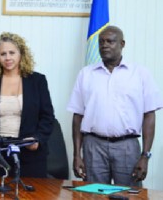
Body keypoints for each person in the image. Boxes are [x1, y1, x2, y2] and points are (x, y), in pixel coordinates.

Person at [67, 25, 163, 186]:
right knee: (93, 195)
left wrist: (145, 155)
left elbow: (149, 116)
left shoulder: (140, 74)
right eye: (101, 42)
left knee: (129, 195)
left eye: (110, 41)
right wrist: (77, 155)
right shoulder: (86, 74)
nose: (104, 45)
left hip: (127, 146)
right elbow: (78, 116)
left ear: (122, 44)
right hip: (93, 146)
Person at [0, 32, 55, 178]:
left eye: (12, 52)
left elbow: (47, 116)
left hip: (29, 152)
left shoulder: (37, 80)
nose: (8, 58)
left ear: (21, 54)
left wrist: (37, 138)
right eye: (2, 54)